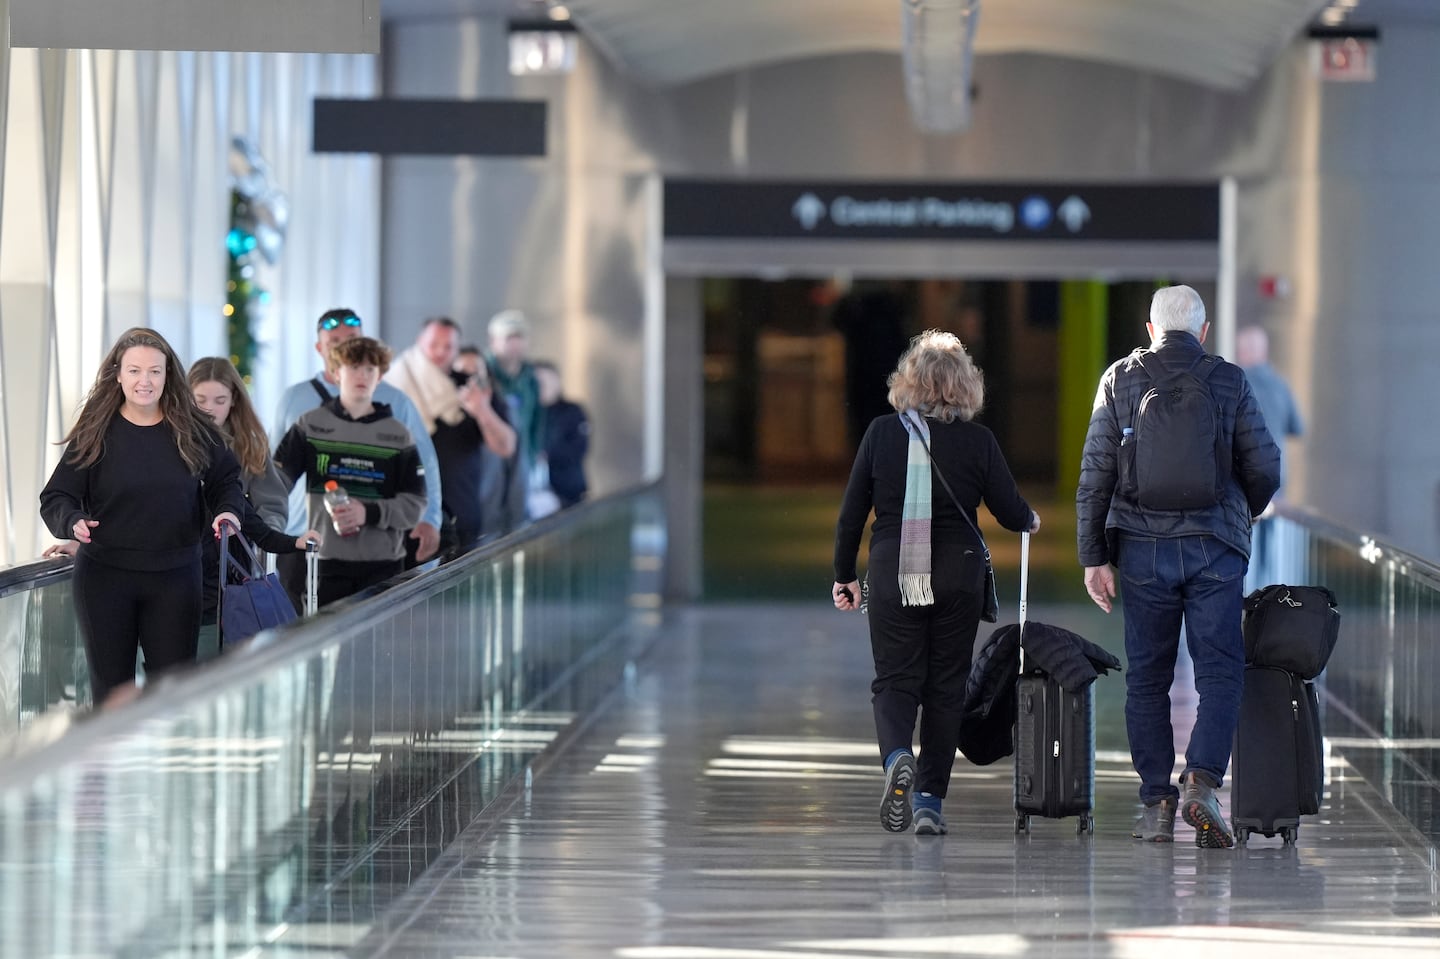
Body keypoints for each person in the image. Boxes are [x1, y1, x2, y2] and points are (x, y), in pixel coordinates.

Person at [1077, 285, 1280, 848]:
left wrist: (1094, 555)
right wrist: (1241, 512)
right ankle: (1202, 782)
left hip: (1142, 549)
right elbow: (1264, 463)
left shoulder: (1118, 380)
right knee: (1219, 670)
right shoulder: (1229, 379)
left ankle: (1156, 806)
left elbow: (1096, 474)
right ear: (1204, 331)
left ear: (1149, 329)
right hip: (1216, 546)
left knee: (1148, 678)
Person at [833, 329, 1040, 836]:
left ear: (908, 382)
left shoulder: (882, 434)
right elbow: (1010, 512)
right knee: (946, 689)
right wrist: (1031, 519)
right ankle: (928, 799)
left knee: (895, 681)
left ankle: (897, 758)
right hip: (959, 577)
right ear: (965, 386)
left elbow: (852, 515)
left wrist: (844, 576)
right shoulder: (978, 442)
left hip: (891, 573)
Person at [38, 327, 246, 706]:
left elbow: (227, 479)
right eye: (134, 371)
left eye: (154, 371)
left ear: (168, 376)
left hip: (177, 580)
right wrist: (72, 521)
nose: (144, 381)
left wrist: (227, 511)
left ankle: (167, 766)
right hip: (105, 579)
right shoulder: (95, 430)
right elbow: (56, 496)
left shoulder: (193, 429)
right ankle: (114, 767)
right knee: (112, 694)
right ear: (118, 374)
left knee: (171, 697)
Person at [271, 309, 444, 609]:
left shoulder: (396, 405)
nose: (342, 348)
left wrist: (430, 519)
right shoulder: (297, 404)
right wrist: (264, 524)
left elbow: (424, 466)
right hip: (304, 538)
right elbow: (274, 475)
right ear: (320, 348)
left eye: (350, 340)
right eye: (334, 341)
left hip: (376, 547)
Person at [190, 357, 319, 657]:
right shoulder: (173, 442)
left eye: (220, 400)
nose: (210, 408)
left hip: (228, 568)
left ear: (234, 400)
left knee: (221, 650)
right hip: (177, 565)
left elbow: (269, 505)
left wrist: (267, 537)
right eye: (201, 400)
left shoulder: (249, 445)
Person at [384, 317, 516, 554]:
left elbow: (506, 447)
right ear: (418, 343)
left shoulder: (472, 389)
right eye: (434, 344)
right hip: (401, 517)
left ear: (457, 349)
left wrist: (482, 411)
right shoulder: (391, 389)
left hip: (460, 517)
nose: (440, 352)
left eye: (448, 346)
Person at [1235, 325, 1303, 591]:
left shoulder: (1235, 384)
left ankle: (1245, 606)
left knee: (1243, 550)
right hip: (1276, 483)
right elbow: (1298, 427)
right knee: (1274, 556)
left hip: (1242, 485)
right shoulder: (1280, 385)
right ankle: (1270, 606)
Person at [485, 309, 545, 517]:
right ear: (494, 341)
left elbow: (537, 420)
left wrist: (535, 455)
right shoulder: (482, 373)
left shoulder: (530, 379)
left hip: (523, 460)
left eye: (520, 337)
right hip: (489, 463)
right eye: (509, 337)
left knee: (519, 516)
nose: (515, 344)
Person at [533, 360, 591, 510]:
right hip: (535, 492)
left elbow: (579, 448)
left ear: (557, 381)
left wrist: (546, 454)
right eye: (538, 382)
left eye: (548, 380)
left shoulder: (572, 411)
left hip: (568, 491)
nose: (543, 386)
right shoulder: (529, 415)